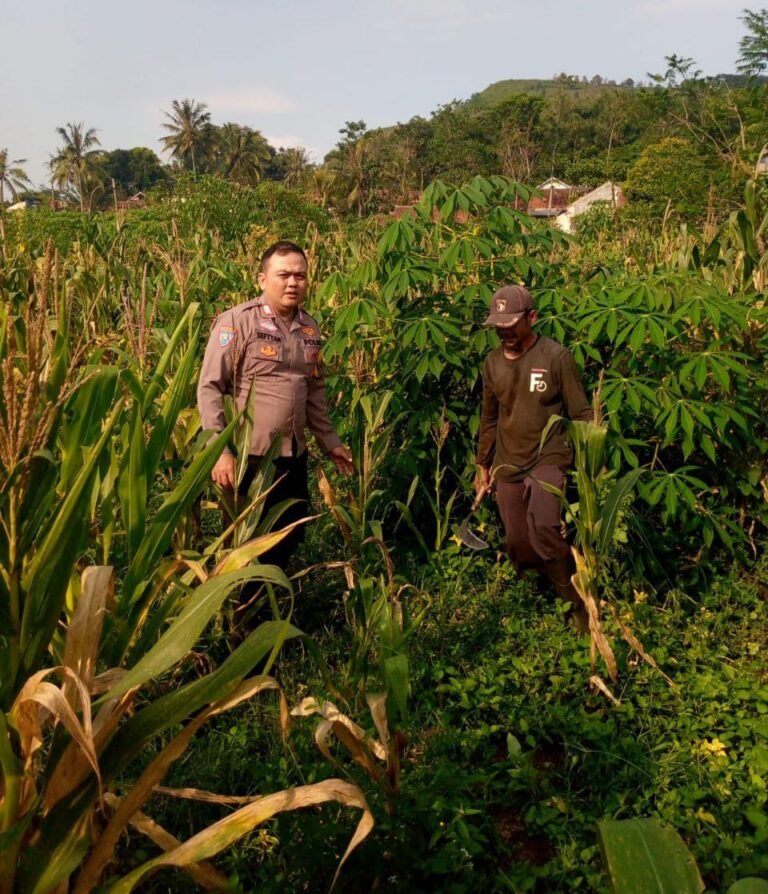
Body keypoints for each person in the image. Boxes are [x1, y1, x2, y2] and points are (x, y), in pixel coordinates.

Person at [197, 240, 353, 570]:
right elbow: (209, 387)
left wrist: (331, 443)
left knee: (290, 534)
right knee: (245, 546)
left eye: (301, 275)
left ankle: (275, 607)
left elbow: (314, 393)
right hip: (248, 459)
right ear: (262, 279)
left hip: (292, 457)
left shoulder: (310, 328)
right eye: (283, 275)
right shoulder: (238, 322)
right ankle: (242, 617)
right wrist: (219, 451)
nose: (293, 283)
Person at [474, 285, 592, 632]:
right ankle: (536, 602)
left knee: (544, 527)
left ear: (532, 318)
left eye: (511, 324)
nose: (504, 332)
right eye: (499, 325)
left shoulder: (556, 358)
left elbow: (581, 412)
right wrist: (483, 463)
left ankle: (575, 606)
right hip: (508, 461)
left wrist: (590, 459)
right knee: (517, 542)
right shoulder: (492, 363)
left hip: (548, 455)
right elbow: (489, 417)